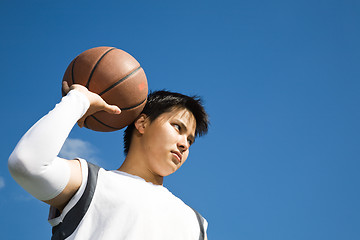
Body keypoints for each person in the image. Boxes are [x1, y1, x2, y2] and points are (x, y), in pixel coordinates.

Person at [8, 82, 209, 240]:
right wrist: (78, 100)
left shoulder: (195, 223)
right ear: (142, 123)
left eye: (190, 140)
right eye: (177, 127)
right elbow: (27, 163)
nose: (185, 144)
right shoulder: (93, 183)